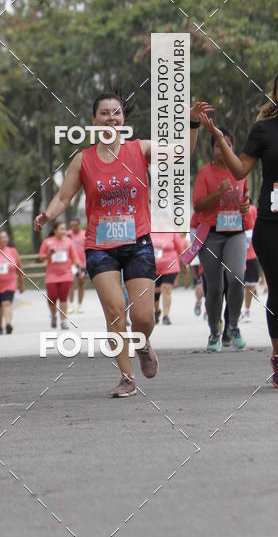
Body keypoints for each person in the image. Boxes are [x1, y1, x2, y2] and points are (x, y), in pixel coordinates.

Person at [34, 92, 211, 397]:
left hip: (138, 243)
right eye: (104, 113)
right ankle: (127, 376)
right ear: (93, 120)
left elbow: (181, 152)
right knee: (116, 311)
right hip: (100, 248)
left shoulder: (139, 149)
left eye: (116, 113)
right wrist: (47, 214)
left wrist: (192, 122)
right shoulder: (83, 160)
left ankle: (142, 346)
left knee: (143, 317)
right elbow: (64, 197)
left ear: (123, 119)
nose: (111, 118)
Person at [201, 70, 278, 387]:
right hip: (272, 225)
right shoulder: (263, 131)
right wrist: (221, 141)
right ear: (275, 96)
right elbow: (239, 171)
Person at [192, 125, 249, 352]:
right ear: (212, 148)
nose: (222, 148)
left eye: (226, 144)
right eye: (217, 144)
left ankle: (233, 326)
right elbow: (198, 206)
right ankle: (215, 331)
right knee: (214, 287)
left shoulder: (240, 171)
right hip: (211, 234)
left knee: (237, 278)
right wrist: (217, 193)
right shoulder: (205, 173)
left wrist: (246, 205)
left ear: (232, 147)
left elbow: (244, 200)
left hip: (236, 233)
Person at [37, 221, 80, 330]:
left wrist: (79, 270)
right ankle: (53, 316)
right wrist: (48, 254)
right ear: (55, 230)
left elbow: (75, 258)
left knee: (63, 299)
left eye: (64, 229)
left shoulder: (68, 242)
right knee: (52, 298)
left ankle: (63, 321)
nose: (63, 231)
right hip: (51, 275)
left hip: (66, 274)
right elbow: (40, 257)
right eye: (61, 229)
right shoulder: (48, 242)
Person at [151, 232, 187, 325]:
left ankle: (166, 316)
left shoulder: (172, 233)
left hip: (170, 265)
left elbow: (180, 250)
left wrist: (184, 265)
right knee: (156, 290)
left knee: (166, 288)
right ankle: (157, 310)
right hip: (153, 266)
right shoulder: (150, 232)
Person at [241, 197, 259, 323]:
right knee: (239, 285)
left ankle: (245, 310)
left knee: (250, 284)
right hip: (238, 252)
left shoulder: (252, 209)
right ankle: (241, 311)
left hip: (250, 252)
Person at [67, 217, 87, 313]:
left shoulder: (84, 235)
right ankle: (70, 305)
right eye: (72, 225)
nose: (73, 227)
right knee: (71, 283)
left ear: (79, 225)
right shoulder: (68, 235)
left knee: (81, 283)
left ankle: (80, 305)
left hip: (82, 264)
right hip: (71, 264)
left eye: (75, 225)